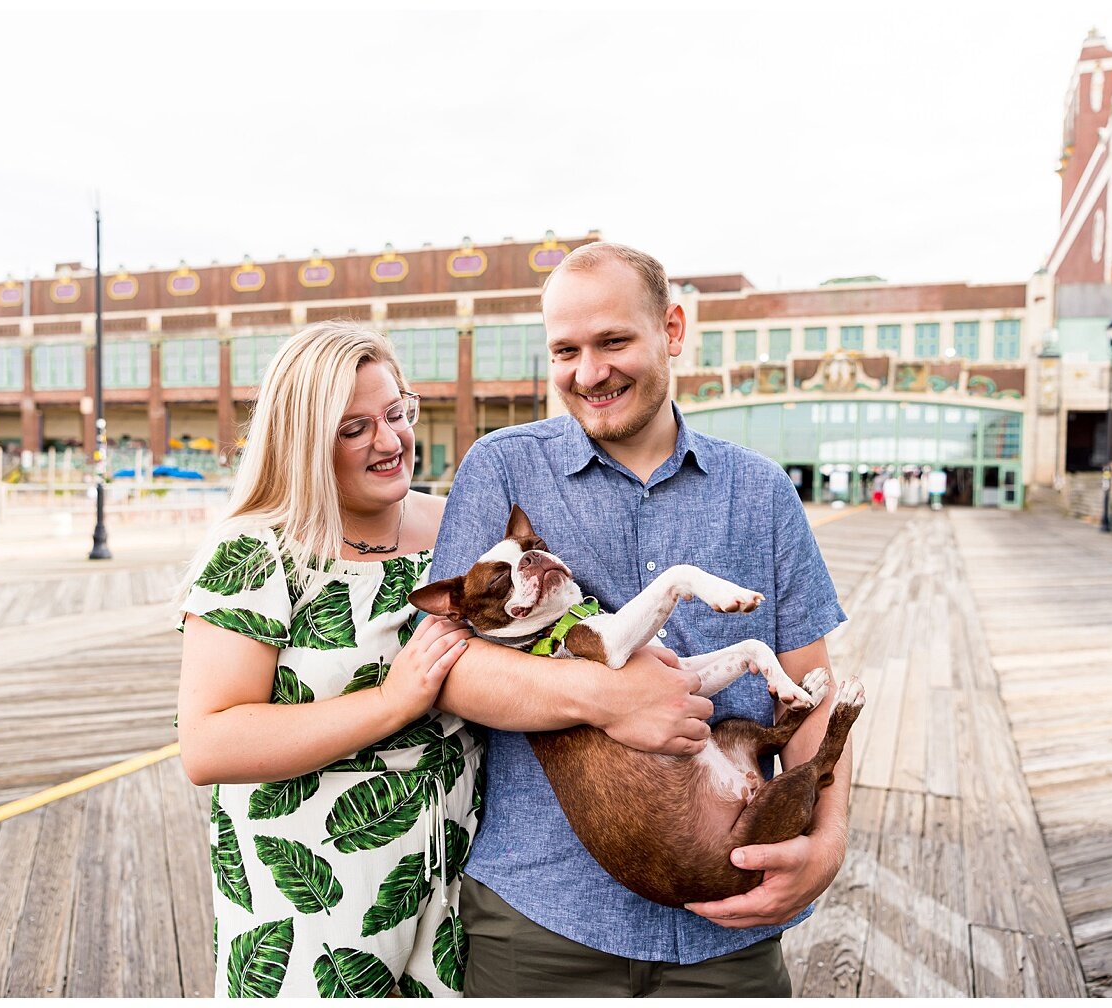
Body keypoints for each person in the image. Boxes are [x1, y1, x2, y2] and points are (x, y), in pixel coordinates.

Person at [429, 243, 852, 997]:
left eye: (614, 341)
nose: (590, 373)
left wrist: (829, 842)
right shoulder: (501, 469)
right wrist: (606, 698)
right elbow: (447, 672)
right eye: (566, 350)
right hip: (543, 919)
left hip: (731, 926)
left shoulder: (760, 492)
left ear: (673, 330)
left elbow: (813, 688)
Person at [176, 322, 480, 998]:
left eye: (396, 414)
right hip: (310, 902)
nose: (391, 440)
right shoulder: (258, 553)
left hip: (456, 877)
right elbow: (207, 742)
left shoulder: (460, 527)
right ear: (305, 439)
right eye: (354, 429)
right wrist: (389, 703)